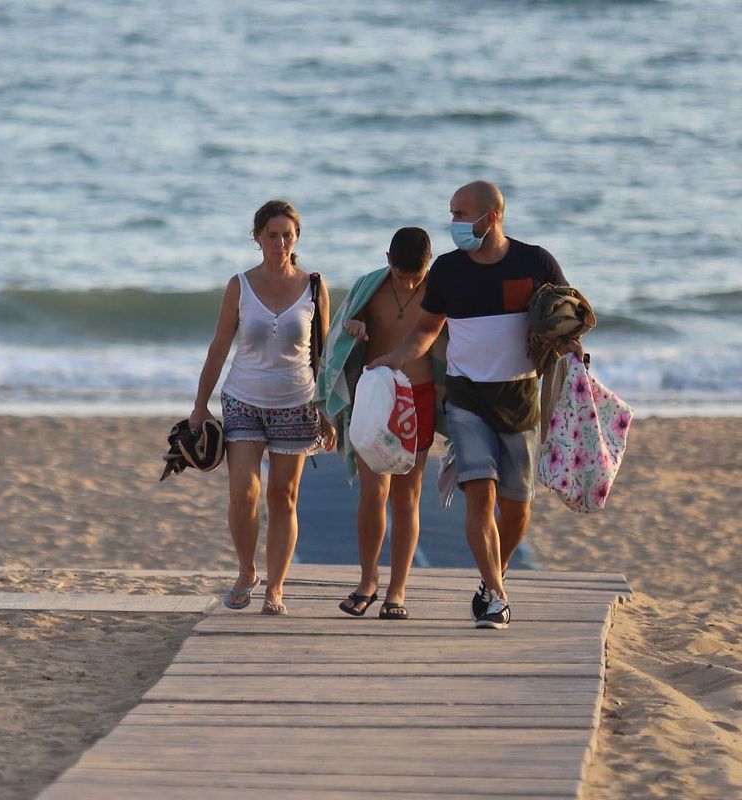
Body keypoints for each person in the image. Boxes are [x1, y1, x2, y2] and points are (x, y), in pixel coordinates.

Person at [371, 181, 580, 629]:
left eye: (462, 215)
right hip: (466, 397)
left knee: (518, 507)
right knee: (479, 495)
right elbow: (427, 328)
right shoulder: (447, 270)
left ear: (492, 216)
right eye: (452, 214)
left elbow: (565, 319)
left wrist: (574, 349)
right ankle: (497, 598)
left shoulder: (535, 262)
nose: (455, 224)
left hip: (521, 396)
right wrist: (397, 357)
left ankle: (490, 581)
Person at [190, 200, 336, 616]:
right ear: (257, 238)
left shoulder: (314, 286)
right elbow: (219, 348)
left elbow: (322, 356)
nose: (280, 242)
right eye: (272, 235)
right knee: (243, 493)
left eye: (287, 235)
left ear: (296, 239)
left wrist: (327, 411)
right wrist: (200, 405)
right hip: (243, 399)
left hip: (297, 402)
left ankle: (276, 587)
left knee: (284, 496)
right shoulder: (240, 285)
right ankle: (245, 572)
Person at [322, 228, 436, 621]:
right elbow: (341, 332)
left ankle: (397, 590)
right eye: (402, 274)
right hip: (375, 397)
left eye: (416, 276)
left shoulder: (437, 291)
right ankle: (367, 581)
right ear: (388, 258)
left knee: (407, 496)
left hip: (419, 400)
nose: (408, 283)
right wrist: (353, 329)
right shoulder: (369, 287)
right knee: (373, 493)